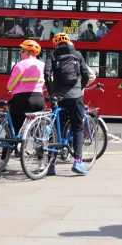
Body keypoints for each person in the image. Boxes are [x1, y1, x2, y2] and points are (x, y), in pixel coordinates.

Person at [44, 32, 96, 175]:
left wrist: (52, 92)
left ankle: (51, 164)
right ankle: (78, 162)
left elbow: (47, 74)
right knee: (78, 127)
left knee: (55, 129)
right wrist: (80, 87)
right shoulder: (77, 54)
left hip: (58, 97)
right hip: (75, 96)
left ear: (56, 43)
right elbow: (85, 74)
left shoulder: (52, 55)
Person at [7, 40, 46, 135]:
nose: (20, 52)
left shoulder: (21, 64)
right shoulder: (43, 65)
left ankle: (10, 148)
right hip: (39, 100)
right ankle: (39, 147)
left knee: (14, 127)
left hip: (22, 100)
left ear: (29, 52)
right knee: (38, 129)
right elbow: (47, 82)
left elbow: (10, 86)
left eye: (23, 50)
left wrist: (13, 89)